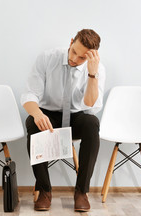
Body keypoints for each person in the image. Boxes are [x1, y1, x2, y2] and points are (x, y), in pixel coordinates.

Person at [21, 29, 105, 212]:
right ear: (71, 41)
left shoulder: (97, 69)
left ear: (91, 57)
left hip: (77, 116)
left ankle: (82, 192)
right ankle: (44, 190)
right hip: (48, 115)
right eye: (74, 51)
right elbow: (29, 94)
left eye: (82, 58)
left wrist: (92, 74)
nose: (75, 59)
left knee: (92, 124)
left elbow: (91, 106)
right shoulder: (47, 58)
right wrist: (37, 114)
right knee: (31, 122)